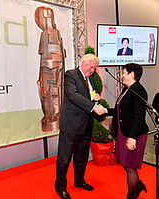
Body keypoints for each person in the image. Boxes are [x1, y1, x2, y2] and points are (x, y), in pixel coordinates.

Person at [55, 54, 107, 199]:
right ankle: (60, 186)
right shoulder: (70, 75)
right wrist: (93, 107)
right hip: (71, 125)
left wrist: (96, 100)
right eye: (91, 67)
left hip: (85, 124)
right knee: (65, 158)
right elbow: (73, 95)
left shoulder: (89, 79)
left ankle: (79, 181)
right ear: (83, 63)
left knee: (82, 156)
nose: (92, 70)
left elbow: (86, 96)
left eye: (94, 68)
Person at [108, 63, 148, 199]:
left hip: (132, 134)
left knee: (130, 166)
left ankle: (132, 195)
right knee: (123, 162)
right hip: (123, 132)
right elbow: (120, 111)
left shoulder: (138, 90)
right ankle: (138, 185)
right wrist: (103, 110)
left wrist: (132, 137)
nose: (122, 75)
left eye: (124, 72)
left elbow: (139, 116)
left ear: (131, 74)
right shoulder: (127, 89)